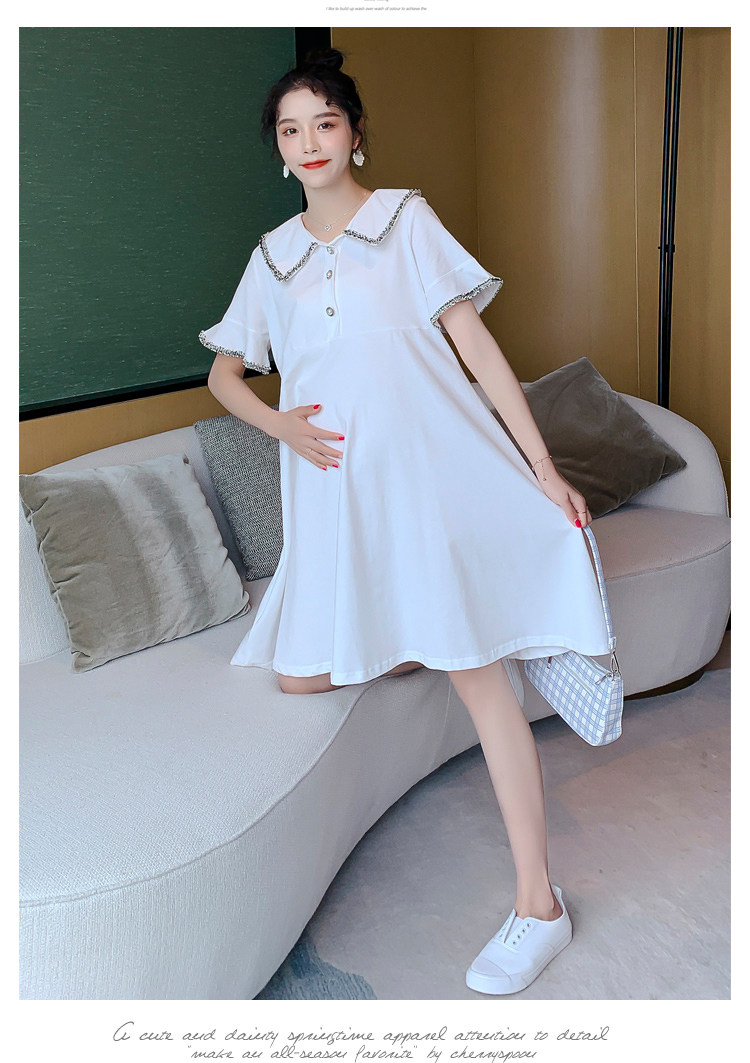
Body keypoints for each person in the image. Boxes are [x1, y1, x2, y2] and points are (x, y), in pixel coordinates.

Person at [200, 47, 612, 996]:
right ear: (279, 150)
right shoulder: (273, 255)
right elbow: (225, 372)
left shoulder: (405, 221)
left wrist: (542, 467)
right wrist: (279, 424)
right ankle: (426, 642)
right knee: (300, 674)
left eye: (325, 123)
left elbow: (478, 349)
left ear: (354, 133)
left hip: (426, 482)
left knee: (481, 681)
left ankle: (540, 903)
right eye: (290, 130)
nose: (308, 142)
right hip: (336, 494)